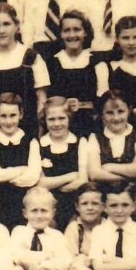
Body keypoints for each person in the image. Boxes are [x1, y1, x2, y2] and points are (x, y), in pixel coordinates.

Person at [0, 2, 49, 137]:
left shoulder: (32, 57)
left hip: (27, 133)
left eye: (6, 24)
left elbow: (42, 100)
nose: (1, 30)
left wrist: (38, 135)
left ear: (17, 26)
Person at [0, 92, 40, 229]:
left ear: (21, 114)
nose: (8, 121)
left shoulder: (30, 140)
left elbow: (32, 177)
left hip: (24, 200)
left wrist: (4, 175)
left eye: (13, 115)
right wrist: (20, 170)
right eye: (3, 116)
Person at [10, 186, 78, 270]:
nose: (39, 215)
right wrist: (45, 256)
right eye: (34, 211)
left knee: (71, 268)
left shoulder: (56, 235)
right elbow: (16, 256)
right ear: (25, 213)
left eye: (44, 210)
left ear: (53, 213)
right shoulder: (19, 231)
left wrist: (43, 267)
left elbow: (64, 260)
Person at [86, 91, 136, 214]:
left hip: (133, 196)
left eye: (121, 112)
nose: (116, 118)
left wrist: (109, 167)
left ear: (129, 111)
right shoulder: (95, 137)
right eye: (110, 113)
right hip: (104, 196)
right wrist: (131, 174)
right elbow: (94, 174)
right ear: (102, 115)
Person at [45, 10, 107, 137]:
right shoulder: (51, 64)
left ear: (85, 32)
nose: (72, 35)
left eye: (77, 29)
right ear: (60, 34)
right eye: (66, 30)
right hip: (59, 127)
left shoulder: (97, 63)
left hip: (90, 125)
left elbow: (103, 99)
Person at [37, 97, 89, 230]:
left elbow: (83, 180)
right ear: (45, 120)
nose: (57, 124)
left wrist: (54, 185)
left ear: (69, 118)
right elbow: (41, 183)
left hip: (75, 204)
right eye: (51, 119)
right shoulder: (39, 145)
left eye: (61, 118)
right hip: (48, 205)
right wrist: (71, 176)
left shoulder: (79, 142)